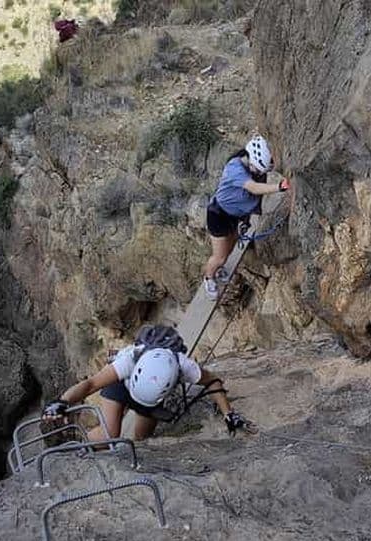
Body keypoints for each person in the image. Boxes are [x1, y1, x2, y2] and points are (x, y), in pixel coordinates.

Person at [42, 325, 257, 441]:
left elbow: (213, 382)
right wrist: (62, 401)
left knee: (143, 438)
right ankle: (77, 442)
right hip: (122, 385)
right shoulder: (128, 360)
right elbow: (91, 384)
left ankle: (83, 441)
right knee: (110, 435)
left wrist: (229, 413)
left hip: (151, 398)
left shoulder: (184, 367)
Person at [203, 135, 290, 300]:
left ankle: (217, 269)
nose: (259, 173)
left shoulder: (252, 168)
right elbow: (254, 188)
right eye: (257, 169)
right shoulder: (235, 168)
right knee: (220, 257)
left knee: (229, 249)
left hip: (234, 216)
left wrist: (245, 220)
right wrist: (278, 187)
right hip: (218, 216)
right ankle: (208, 277)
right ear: (251, 160)